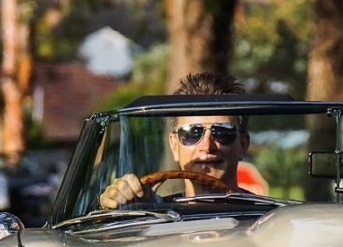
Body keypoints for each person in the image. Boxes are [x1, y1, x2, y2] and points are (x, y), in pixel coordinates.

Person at [98, 72, 252, 209]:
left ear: (243, 145)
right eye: (192, 133)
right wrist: (116, 203)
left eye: (222, 132)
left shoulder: (269, 218)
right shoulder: (150, 216)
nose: (206, 146)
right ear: (174, 145)